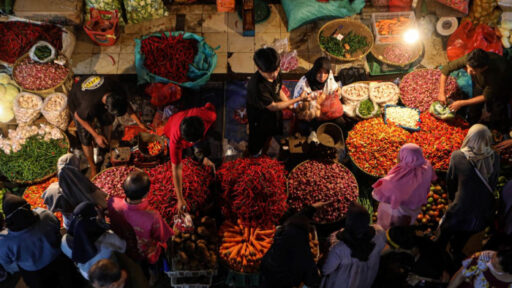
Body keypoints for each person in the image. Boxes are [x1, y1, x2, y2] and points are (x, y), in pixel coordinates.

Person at [437, 124, 500, 263]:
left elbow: (451, 182)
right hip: (480, 213)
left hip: (460, 208)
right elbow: (493, 183)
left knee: (444, 236)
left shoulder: (458, 156)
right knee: (462, 238)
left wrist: (452, 200)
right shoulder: (494, 157)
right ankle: (455, 255)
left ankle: (438, 260)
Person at [69, 76, 149, 177]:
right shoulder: (87, 106)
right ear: (106, 107)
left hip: (95, 95)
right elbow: (79, 117)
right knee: (85, 138)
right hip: (77, 103)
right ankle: (93, 167)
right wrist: (95, 135)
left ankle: (106, 146)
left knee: (107, 120)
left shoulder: (115, 88)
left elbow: (125, 104)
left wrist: (139, 123)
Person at [0, 193, 84, 288]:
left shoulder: (5, 241)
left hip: (35, 273)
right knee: (72, 283)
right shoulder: (45, 215)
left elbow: (7, 262)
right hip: (59, 260)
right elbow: (57, 227)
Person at [247, 47, 310, 156]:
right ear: (259, 69)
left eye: (277, 70)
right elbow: (274, 106)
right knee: (258, 138)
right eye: (270, 73)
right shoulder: (257, 86)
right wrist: (298, 99)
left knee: (273, 129)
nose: (275, 75)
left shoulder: (275, 71)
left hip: (273, 110)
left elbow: (279, 89)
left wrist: (290, 105)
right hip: (260, 115)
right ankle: (254, 154)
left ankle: (267, 146)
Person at [108, 171, 172, 267]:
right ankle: (153, 276)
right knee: (152, 263)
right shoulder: (152, 216)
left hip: (124, 247)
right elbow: (162, 236)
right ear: (146, 194)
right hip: (145, 252)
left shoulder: (112, 202)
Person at [438, 49, 512, 133]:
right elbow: (446, 69)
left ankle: (500, 131)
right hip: (480, 83)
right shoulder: (471, 58)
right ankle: (471, 124)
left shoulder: (496, 72)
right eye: (467, 68)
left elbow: (486, 96)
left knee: (498, 109)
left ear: (483, 68)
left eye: (473, 70)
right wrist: (441, 92)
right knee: (474, 108)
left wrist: (462, 103)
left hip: (501, 86)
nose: (469, 72)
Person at [161, 102, 217, 212]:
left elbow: (209, 105)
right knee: (180, 157)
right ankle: (195, 154)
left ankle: (201, 157)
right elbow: (176, 169)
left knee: (202, 148)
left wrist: (205, 157)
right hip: (172, 125)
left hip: (192, 124)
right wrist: (180, 199)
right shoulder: (175, 140)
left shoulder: (208, 116)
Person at [259, 202, 330, 288]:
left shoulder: (284, 233)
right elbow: (311, 276)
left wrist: (311, 208)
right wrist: (317, 274)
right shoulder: (300, 245)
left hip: (266, 275)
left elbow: (297, 218)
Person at [320, 203, 387, 288]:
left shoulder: (339, 248)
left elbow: (326, 269)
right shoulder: (380, 233)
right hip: (366, 280)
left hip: (343, 283)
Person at [372, 143, 437, 230]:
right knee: (403, 228)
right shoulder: (427, 166)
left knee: (388, 227)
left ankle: (384, 236)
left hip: (395, 211)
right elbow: (432, 178)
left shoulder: (396, 179)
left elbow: (378, 194)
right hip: (413, 209)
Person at [61, 202, 126, 280]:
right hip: (109, 274)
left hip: (88, 275)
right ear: (94, 220)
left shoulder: (64, 241)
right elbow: (123, 247)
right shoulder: (108, 240)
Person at [373, 226, 453, 288]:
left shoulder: (424, 265)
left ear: (398, 249)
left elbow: (445, 279)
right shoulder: (419, 241)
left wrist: (422, 279)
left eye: (388, 244)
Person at [43, 153, 108, 228]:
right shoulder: (85, 186)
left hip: (71, 225)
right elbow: (102, 203)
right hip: (91, 224)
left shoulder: (52, 191)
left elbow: (50, 209)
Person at [292, 57, 343, 134]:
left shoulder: (329, 76)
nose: (322, 76)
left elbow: (333, 88)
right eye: (319, 72)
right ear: (315, 71)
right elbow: (297, 108)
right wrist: (312, 104)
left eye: (325, 73)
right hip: (310, 115)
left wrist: (338, 90)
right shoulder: (303, 84)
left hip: (324, 109)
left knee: (340, 122)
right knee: (305, 128)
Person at [447, 248, 512, 288]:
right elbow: (460, 276)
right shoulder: (481, 259)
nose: (489, 262)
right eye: (495, 255)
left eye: (494, 265)